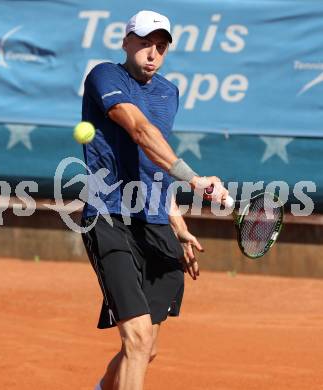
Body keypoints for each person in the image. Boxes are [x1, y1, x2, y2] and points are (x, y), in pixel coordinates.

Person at [80, 10, 229, 390]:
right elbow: (141, 132)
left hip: (156, 223)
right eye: (144, 43)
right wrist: (196, 181)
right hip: (109, 218)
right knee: (138, 339)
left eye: (160, 47)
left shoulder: (168, 92)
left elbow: (154, 166)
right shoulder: (105, 76)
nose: (152, 53)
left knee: (147, 350)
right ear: (126, 42)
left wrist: (177, 224)